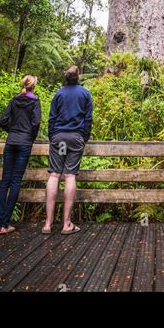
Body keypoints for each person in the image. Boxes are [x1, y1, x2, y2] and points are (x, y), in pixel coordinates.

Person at [42, 65, 93, 235]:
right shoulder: (85, 94)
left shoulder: (59, 93)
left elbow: (52, 117)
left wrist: (52, 136)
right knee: (70, 175)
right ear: (78, 77)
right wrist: (84, 137)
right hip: (75, 136)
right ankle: (66, 224)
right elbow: (88, 118)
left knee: (55, 174)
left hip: (58, 136)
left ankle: (48, 224)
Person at [0, 74, 41, 234]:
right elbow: (36, 123)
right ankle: (5, 224)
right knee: (15, 182)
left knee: (4, 181)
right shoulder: (35, 101)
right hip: (24, 143)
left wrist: (12, 132)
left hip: (11, 141)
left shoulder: (14, 100)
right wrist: (29, 137)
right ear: (33, 86)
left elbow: (3, 121)